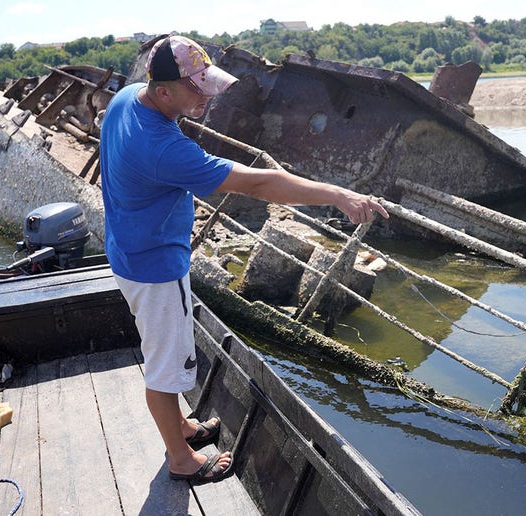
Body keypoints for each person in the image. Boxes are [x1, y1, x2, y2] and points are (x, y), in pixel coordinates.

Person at [99, 35, 388, 483]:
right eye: (196, 88)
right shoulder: (162, 148)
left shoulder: (124, 100)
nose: (207, 95)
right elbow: (259, 184)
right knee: (165, 368)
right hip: (154, 267)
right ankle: (180, 459)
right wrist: (337, 194)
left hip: (127, 248)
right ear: (163, 92)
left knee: (165, 352)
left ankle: (182, 428)